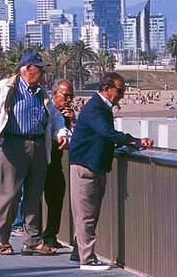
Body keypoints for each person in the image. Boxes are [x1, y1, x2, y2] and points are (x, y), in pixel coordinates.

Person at [0, 50, 68, 256]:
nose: (44, 74)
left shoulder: (42, 93)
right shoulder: (5, 88)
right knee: (9, 195)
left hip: (37, 145)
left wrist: (61, 132)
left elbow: (55, 117)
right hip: (14, 145)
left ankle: (32, 241)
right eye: (40, 69)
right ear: (28, 69)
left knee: (34, 195)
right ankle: (2, 238)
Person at [67, 73, 152, 271]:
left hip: (94, 165)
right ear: (107, 89)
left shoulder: (100, 107)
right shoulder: (96, 108)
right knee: (86, 213)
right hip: (85, 166)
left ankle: (78, 252)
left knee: (89, 212)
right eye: (120, 91)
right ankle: (87, 259)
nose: (122, 95)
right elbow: (106, 133)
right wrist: (135, 141)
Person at [42, 79, 76, 251]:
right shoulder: (46, 109)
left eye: (71, 96)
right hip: (41, 162)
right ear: (54, 94)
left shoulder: (67, 114)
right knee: (35, 201)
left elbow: (75, 139)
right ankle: (35, 236)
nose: (68, 99)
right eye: (65, 95)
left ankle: (50, 235)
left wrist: (73, 121)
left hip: (55, 164)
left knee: (56, 199)